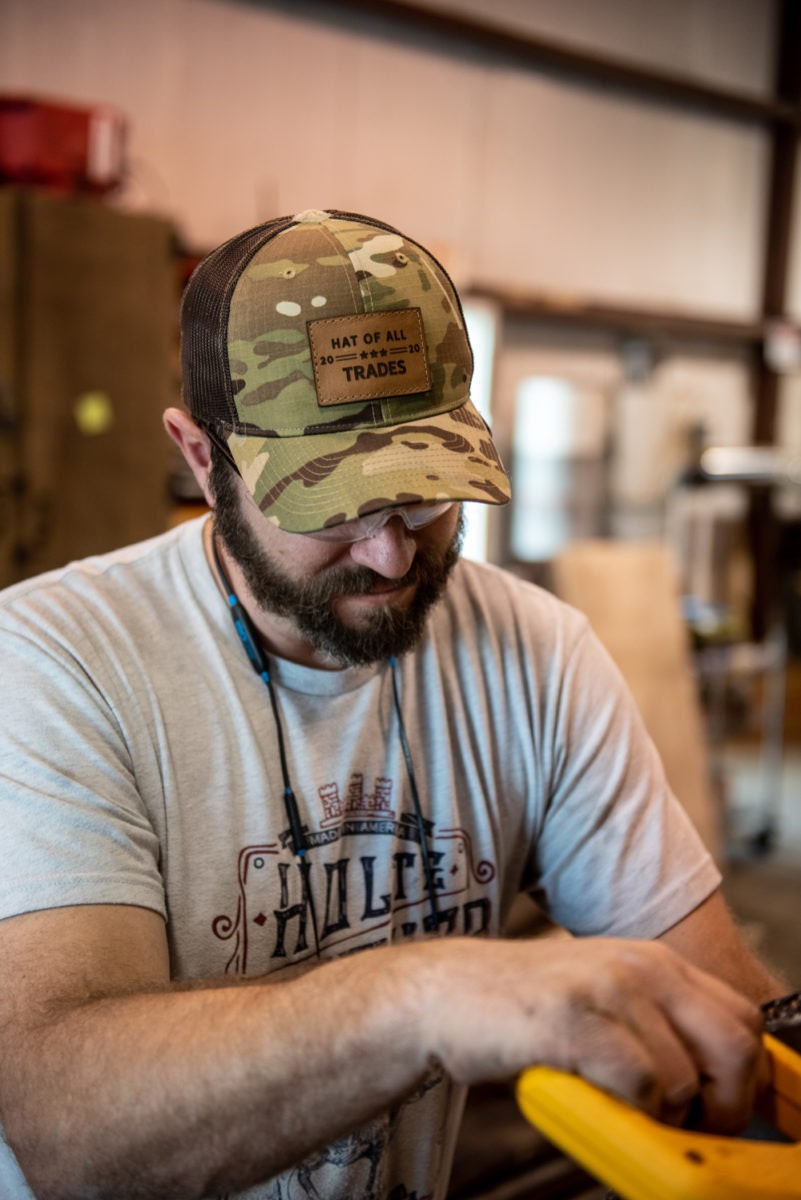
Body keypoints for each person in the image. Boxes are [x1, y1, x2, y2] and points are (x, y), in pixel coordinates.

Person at [0, 208, 783, 1200]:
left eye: (424, 489)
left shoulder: (534, 656)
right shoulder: (55, 664)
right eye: (331, 505)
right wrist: (423, 996)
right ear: (202, 459)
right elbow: (67, 1127)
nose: (392, 552)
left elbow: (731, 1010)